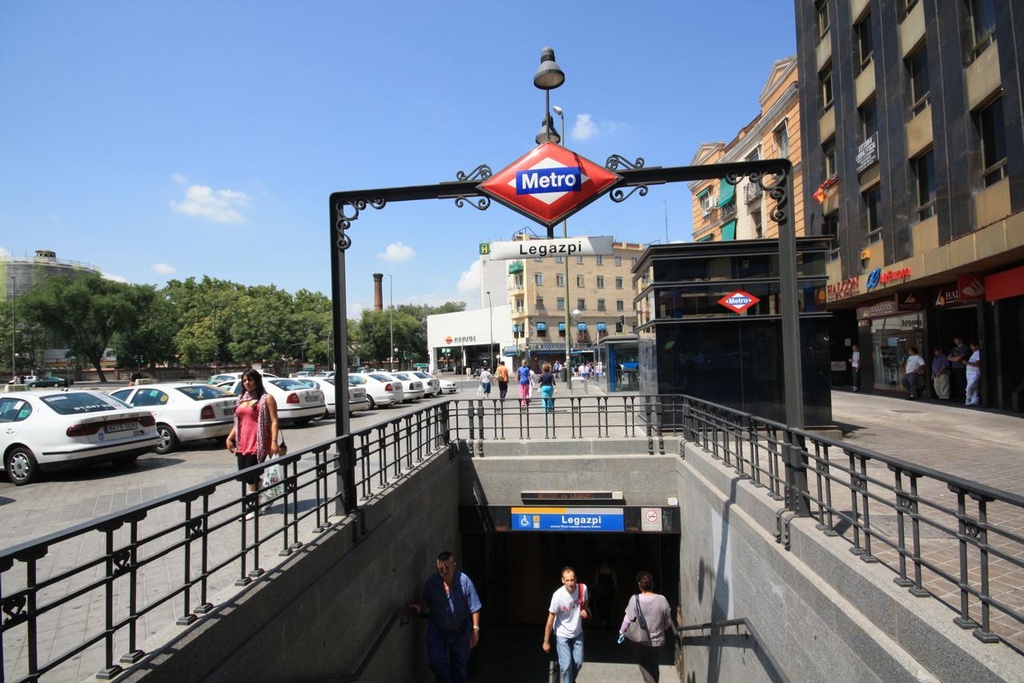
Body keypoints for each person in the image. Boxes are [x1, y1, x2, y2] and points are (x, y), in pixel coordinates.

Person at [409, 551, 481, 683]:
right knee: (436, 662)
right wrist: (419, 607)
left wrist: (475, 630)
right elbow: (427, 602)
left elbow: (475, 607)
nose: (444, 571)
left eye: (447, 567)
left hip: (460, 630)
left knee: (460, 668)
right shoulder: (432, 582)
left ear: (453, 566)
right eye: (440, 568)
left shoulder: (464, 581)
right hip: (438, 630)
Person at [225, 368, 281, 519]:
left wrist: (274, 442)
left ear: (257, 381)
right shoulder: (241, 399)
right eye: (244, 380)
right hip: (243, 442)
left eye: (250, 380)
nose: (247, 383)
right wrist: (230, 438)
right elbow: (239, 422)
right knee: (245, 475)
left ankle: (253, 507)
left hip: (259, 442)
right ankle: (266, 494)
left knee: (251, 476)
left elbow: (274, 421)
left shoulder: (266, 398)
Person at [618, 571, 675, 683]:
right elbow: (668, 622)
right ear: (652, 584)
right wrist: (662, 628)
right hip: (658, 641)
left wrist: (621, 632)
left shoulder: (635, 599)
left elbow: (627, 619)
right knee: (654, 664)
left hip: (642, 642)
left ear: (639, 584)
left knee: (644, 663)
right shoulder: (662, 599)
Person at [543, 566, 590, 683]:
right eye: (567, 580)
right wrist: (546, 641)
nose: (570, 583)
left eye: (572, 580)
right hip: (562, 633)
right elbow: (550, 619)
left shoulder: (582, 589)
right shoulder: (557, 596)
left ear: (576, 579)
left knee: (578, 662)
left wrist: (584, 610)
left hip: (577, 632)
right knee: (566, 665)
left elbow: (586, 601)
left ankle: (571, 679)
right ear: (562, 580)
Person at [592, 558, 619, 629]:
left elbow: (596, 582)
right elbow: (615, 581)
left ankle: (603, 621)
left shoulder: (599, 570)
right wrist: (617, 589)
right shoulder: (611, 570)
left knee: (600, 606)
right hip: (609, 590)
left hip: (601, 591)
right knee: (608, 607)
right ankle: (608, 622)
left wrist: (593, 590)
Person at [948, 337, 969, 402]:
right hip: (954, 367)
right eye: (955, 340)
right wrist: (955, 358)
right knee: (957, 383)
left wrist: (954, 358)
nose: (955, 341)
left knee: (962, 382)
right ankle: (959, 396)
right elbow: (949, 358)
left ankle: (964, 396)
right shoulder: (953, 349)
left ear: (960, 340)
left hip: (961, 367)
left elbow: (960, 358)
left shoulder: (965, 348)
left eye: (956, 340)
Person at [965, 342, 981, 406]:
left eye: (972, 346)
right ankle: (974, 400)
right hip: (969, 373)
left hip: (974, 373)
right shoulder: (974, 353)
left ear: (976, 346)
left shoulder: (978, 353)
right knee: (973, 387)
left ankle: (968, 397)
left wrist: (967, 363)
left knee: (970, 386)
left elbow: (978, 364)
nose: (971, 347)